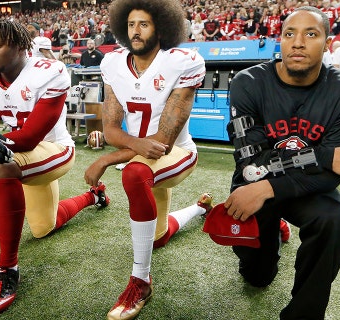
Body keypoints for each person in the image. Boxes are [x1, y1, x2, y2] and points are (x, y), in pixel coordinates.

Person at [0, 18, 110, 316]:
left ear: (21, 46)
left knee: (1, 166)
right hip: (22, 154)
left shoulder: (49, 73)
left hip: (55, 150)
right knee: (43, 228)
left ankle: (7, 270)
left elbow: (29, 138)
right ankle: (94, 196)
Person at [222, 7, 340, 319]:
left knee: (335, 221)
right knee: (257, 278)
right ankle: (273, 231)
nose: (298, 42)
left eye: (311, 34)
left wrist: (269, 186)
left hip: (300, 188)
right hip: (256, 185)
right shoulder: (247, 83)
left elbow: (333, 177)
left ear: (328, 43)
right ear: (280, 40)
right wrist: (325, 155)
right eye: (289, 34)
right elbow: (252, 163)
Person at [82, 0, 206, 319]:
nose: (136, 32)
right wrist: (131, 142)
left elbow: (161, 144)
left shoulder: (181, 62)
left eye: (144, 24)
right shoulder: (113, 64)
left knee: (134, 174)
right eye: (131, 24)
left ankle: (141, 280)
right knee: (159, 237)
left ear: (161, 27)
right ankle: (200, 207)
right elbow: (110, 127)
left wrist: (107, 160)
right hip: (143, 151)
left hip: (177, 152)